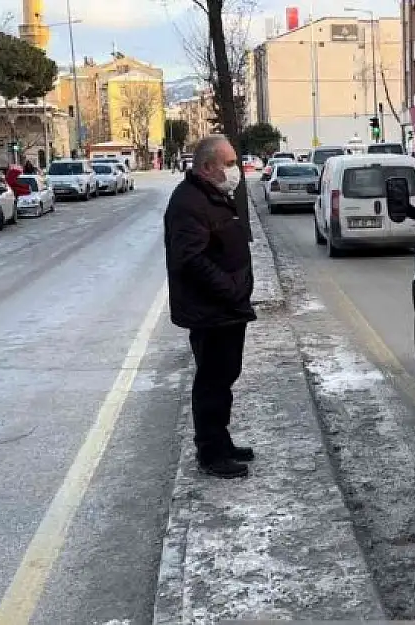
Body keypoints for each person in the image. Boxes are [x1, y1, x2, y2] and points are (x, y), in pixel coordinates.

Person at [164, 135, 256, 479]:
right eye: (229, 164)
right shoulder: (189, 202)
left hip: (226, 308)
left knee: (224, 376)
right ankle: (211, 452)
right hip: (211, 310)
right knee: (212, 381)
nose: (235, 171)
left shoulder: (212, 195)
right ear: (207, 167)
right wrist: (230, 289)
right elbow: (190, 259)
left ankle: (222, 440)